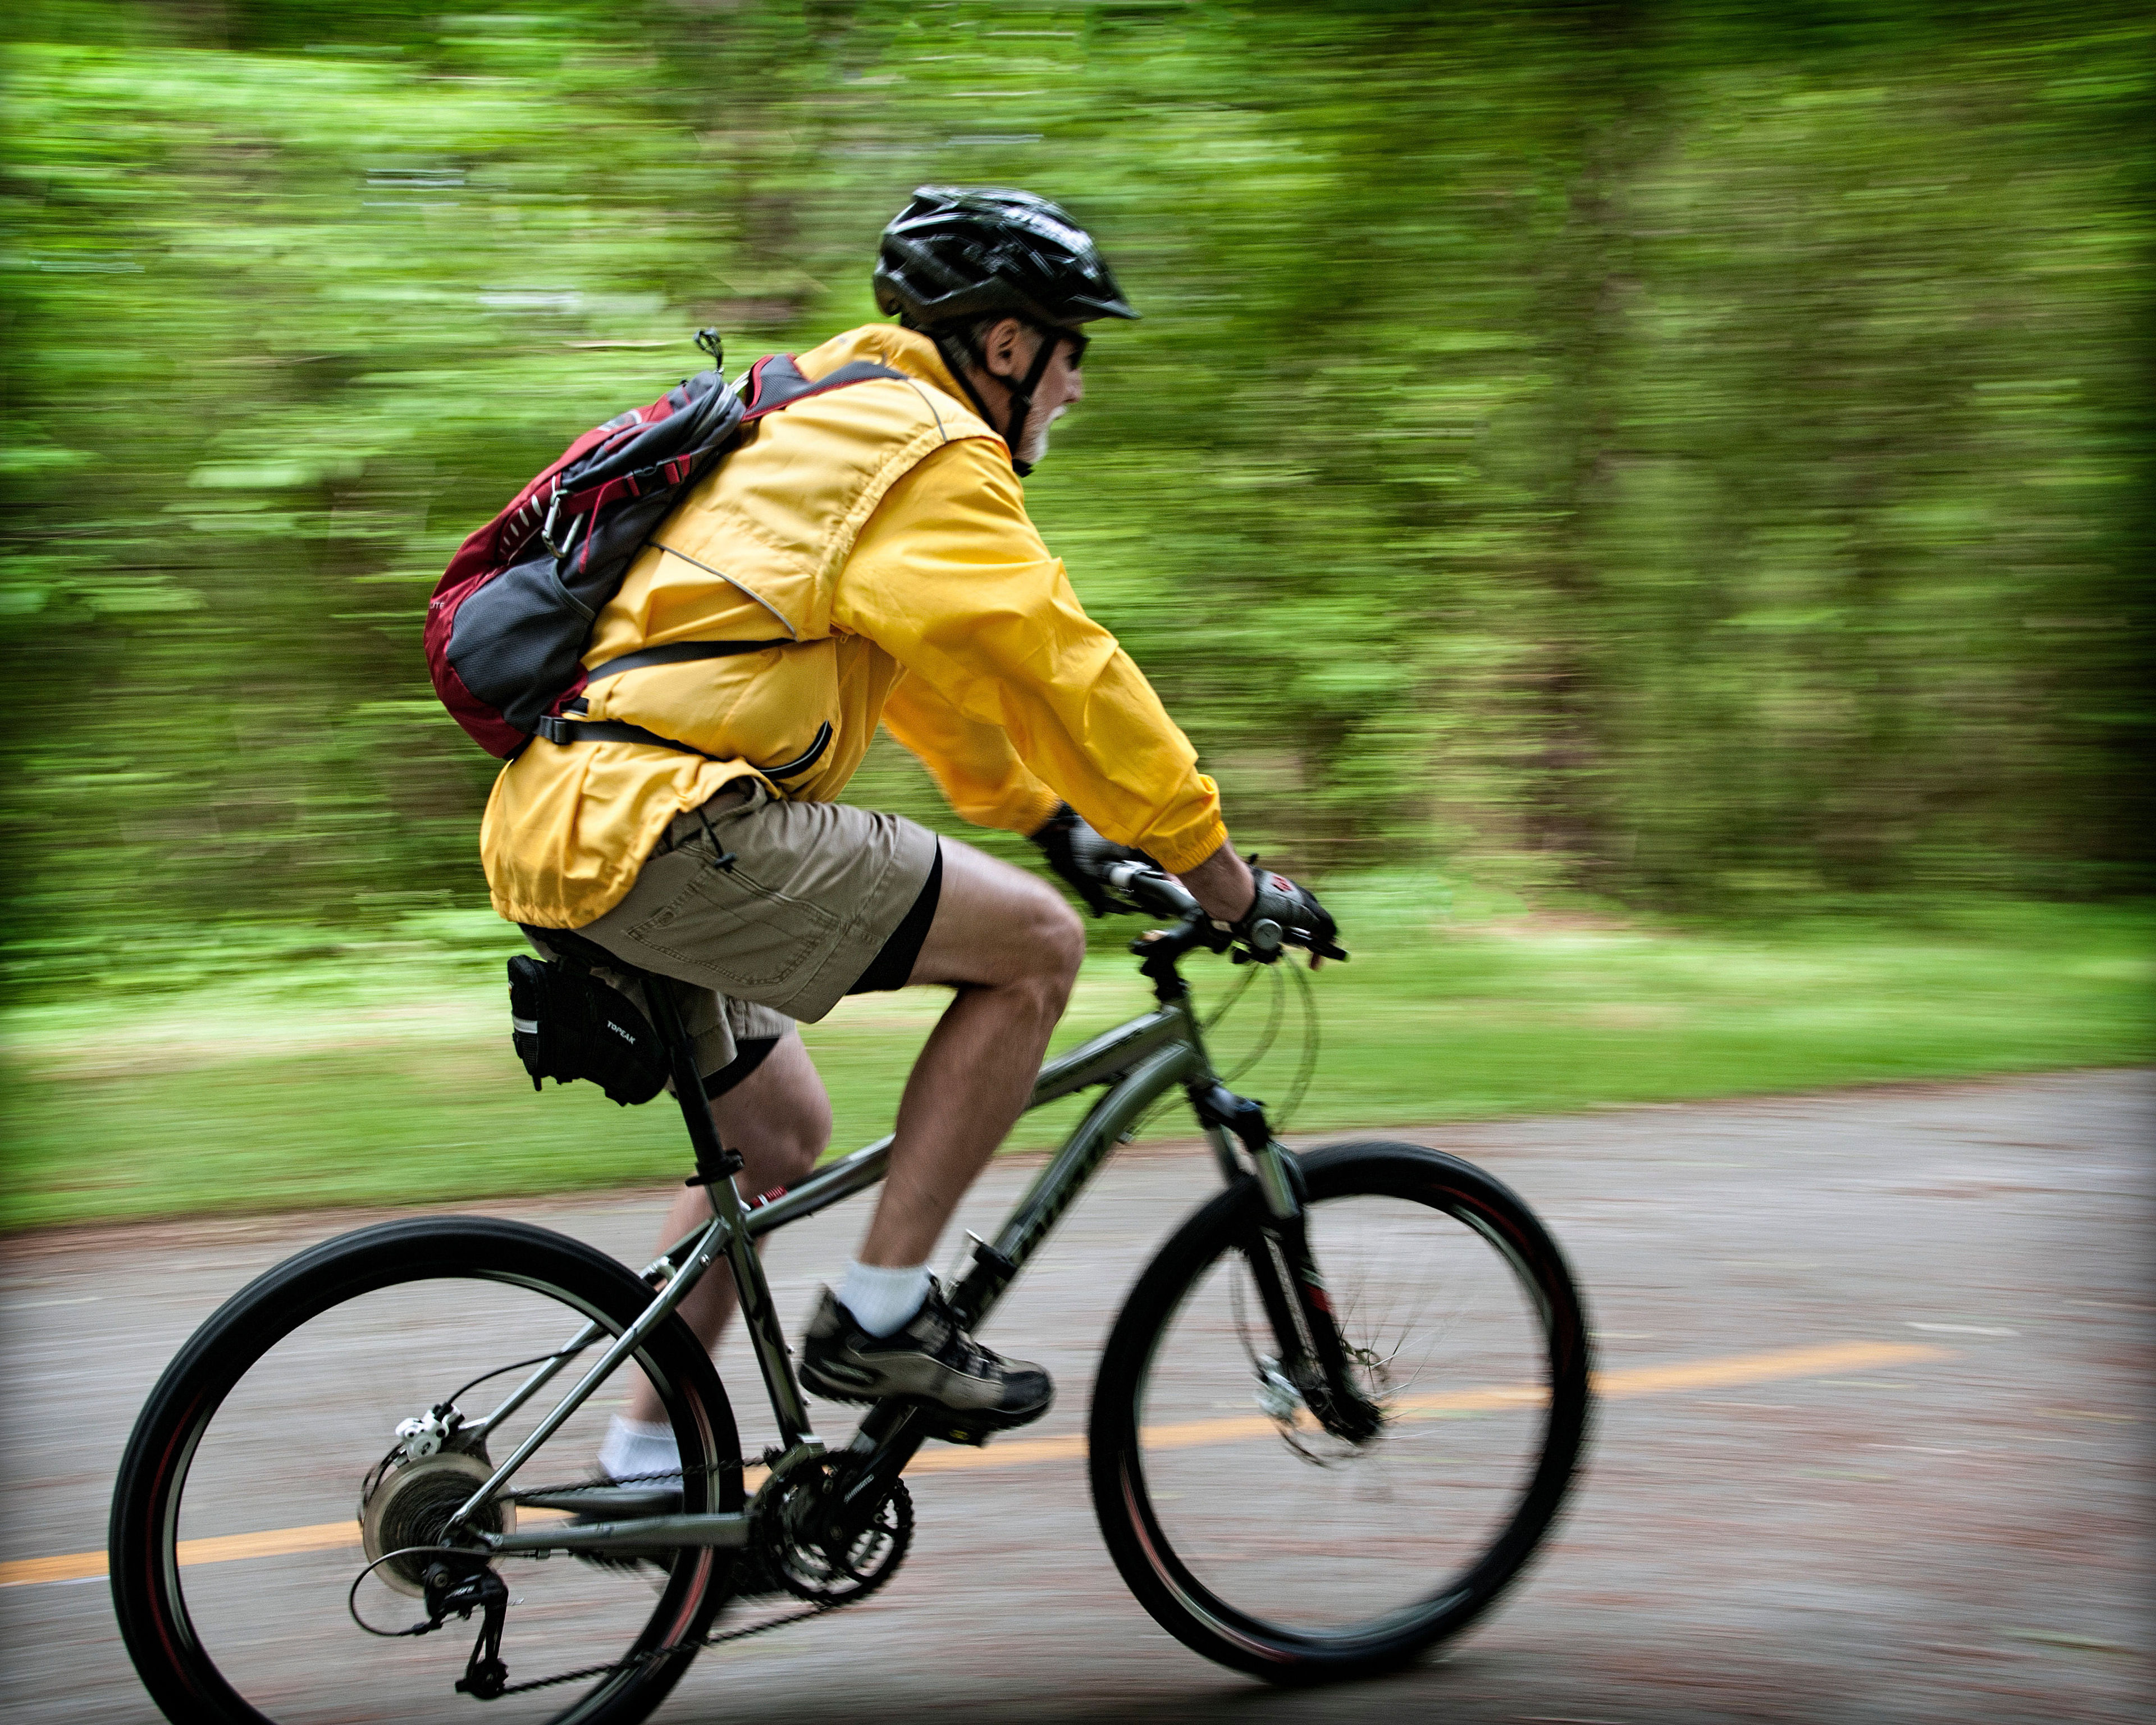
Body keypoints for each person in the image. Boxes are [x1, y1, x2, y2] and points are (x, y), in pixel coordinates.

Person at [479, 186, 1338, 1485]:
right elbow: (1062, 669)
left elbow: (935, 678)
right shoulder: (926, 443)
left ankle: (639, 1471)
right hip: (670, 821)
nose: (1078, 387)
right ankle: (883, 1318)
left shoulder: (829, 413)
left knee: (774, 1141)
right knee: (1039, 952)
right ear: (1006, 344)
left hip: (573, 811)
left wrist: (1050, 820)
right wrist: (1219, 877)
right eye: (1074, 348)